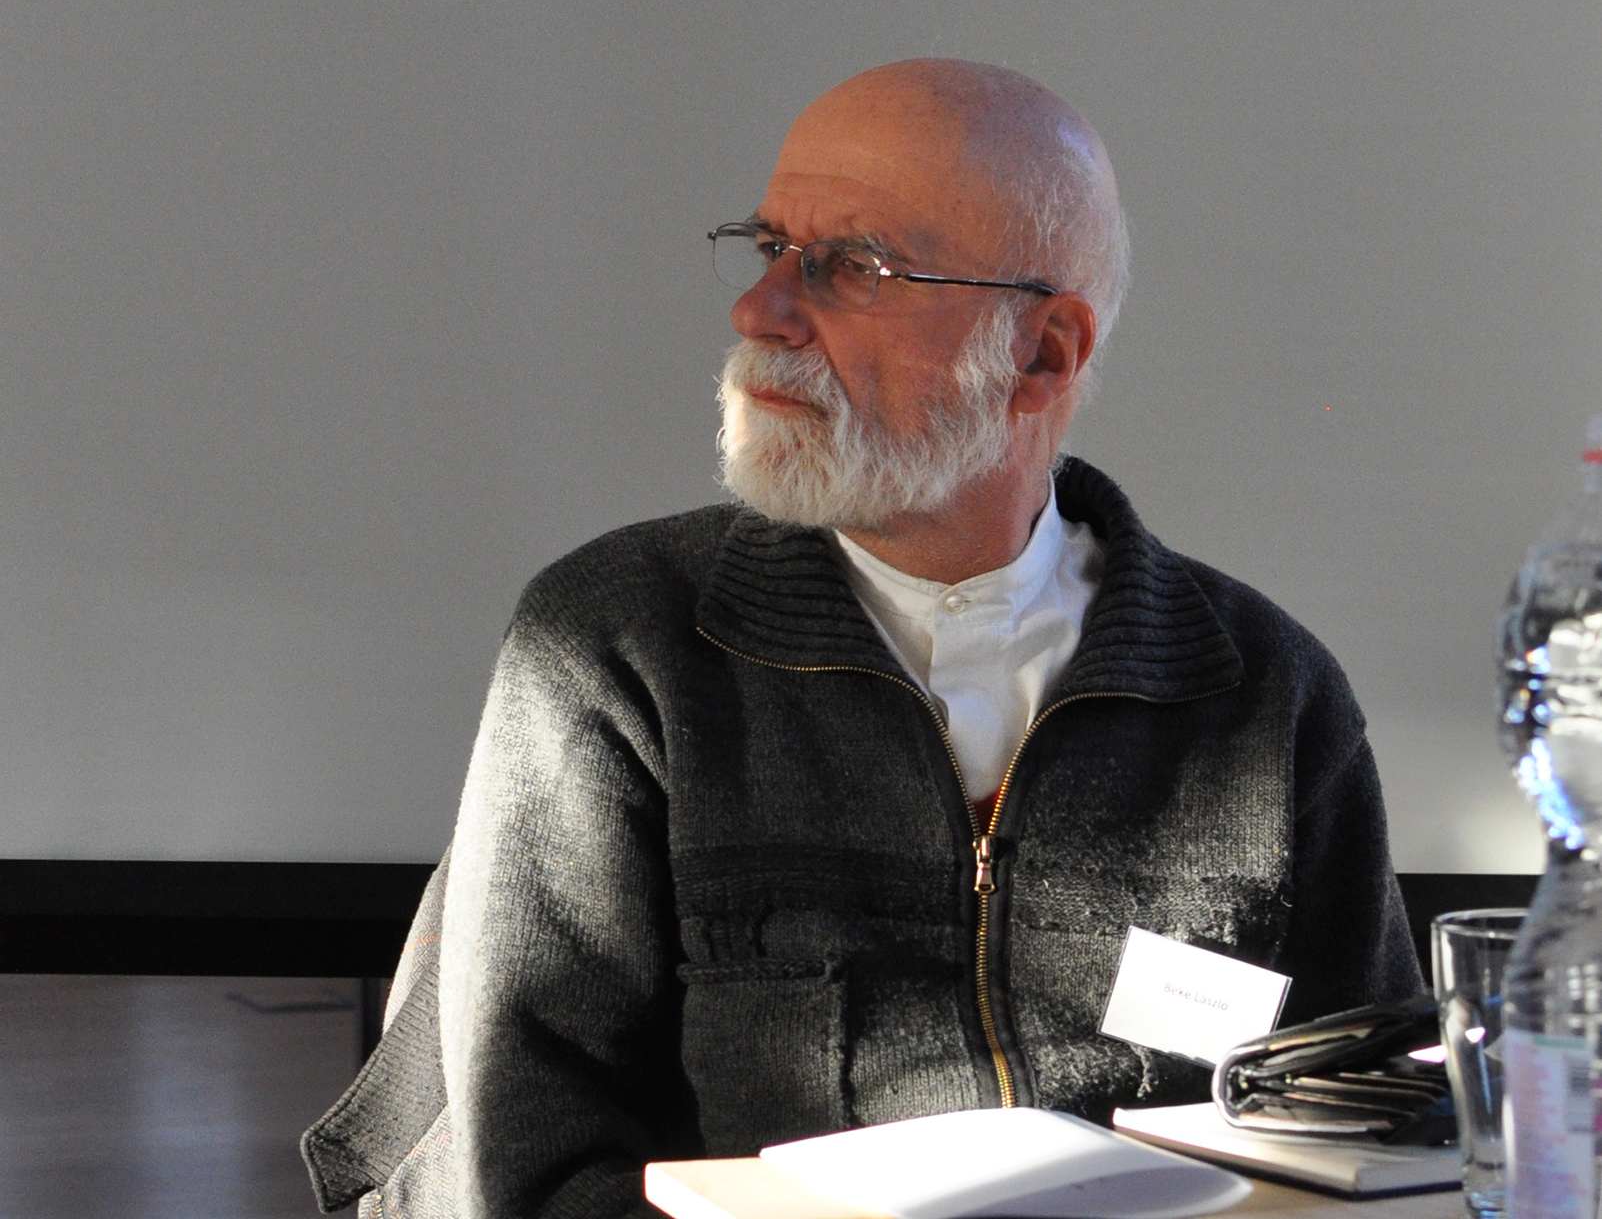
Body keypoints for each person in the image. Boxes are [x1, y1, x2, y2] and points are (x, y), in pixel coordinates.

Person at [302, 60, 1421, 1219]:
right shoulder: (622, 647)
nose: (762, 310)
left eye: (853, 267)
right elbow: (525, 1173)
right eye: (770, 247)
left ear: (1043, 354)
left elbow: (1376, 1146)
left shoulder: (1257, 692)